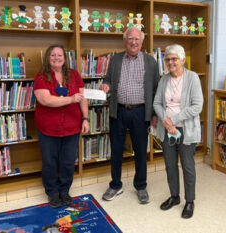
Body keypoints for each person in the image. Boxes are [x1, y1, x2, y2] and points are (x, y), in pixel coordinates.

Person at [99, 27, 160, 204]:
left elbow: (156, 88)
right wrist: (105, 86)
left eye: (137, 39)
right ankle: (115, 185)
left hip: (141, 112)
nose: (133, 42)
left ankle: (141, 186)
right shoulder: (116, 59)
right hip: (118, 110)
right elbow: (108, 79)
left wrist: (154, 113)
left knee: (140, 150)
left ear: (142, 42)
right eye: (130, 39)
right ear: (125, 41)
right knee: (116, 149)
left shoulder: (150, 61)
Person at [34, 45, 89, 208]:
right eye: (53, 55)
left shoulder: (74, 75)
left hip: (72, 127)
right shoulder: (41, 77)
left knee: (67, 161)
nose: (56, 58)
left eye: (59, 55)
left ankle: (64, 190)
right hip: (48, 128)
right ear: (48, 58)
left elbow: (83, 98)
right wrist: (71, 99)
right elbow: (45, 100)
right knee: (50, 162)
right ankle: (52, 192)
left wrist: (85, 118)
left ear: (65, 58)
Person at [153, 44, 203, 218]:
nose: (170, 62)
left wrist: (172, 120)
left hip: (186, 130)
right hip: (168, 130)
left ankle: (190, 201)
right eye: (167, 59)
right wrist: (166, 123)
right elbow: (157, 103)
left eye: (174, 58)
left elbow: (197, 106)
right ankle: (174, 196)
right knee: (170, 165)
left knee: (188, 166)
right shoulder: (164, 79)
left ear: (182, 59)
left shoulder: (193, 78)